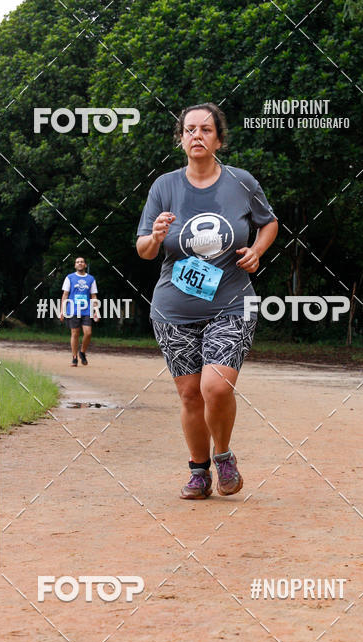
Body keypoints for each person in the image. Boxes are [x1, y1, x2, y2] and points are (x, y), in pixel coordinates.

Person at [136, 102, 278, 499]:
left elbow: (269, 223)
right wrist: (156, 234)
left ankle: (224, 456)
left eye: (206, 129)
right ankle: (199, 472)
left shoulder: (240, 182)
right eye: (189, 129)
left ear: (219, 139)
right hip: (174, 309)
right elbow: (144, 251)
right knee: (189, 394)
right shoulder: (164, 186)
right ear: (180, 139)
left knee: (216, 387)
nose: (197, 135)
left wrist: (258, 251)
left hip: (232, 304)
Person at [60, 256, 99, 366]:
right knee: (75, 333)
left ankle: (82, 352)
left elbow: (94, 296)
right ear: (75, 265)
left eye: (82, 262)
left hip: (86, 310)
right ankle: (74, 357)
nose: (80, 263)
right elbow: (65, 295)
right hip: (73, 309)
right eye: (77, 262)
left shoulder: (91, 279)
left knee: (88, 333)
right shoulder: (70, 278)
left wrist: (96, 311)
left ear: (85, 265)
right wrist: (62, 310)